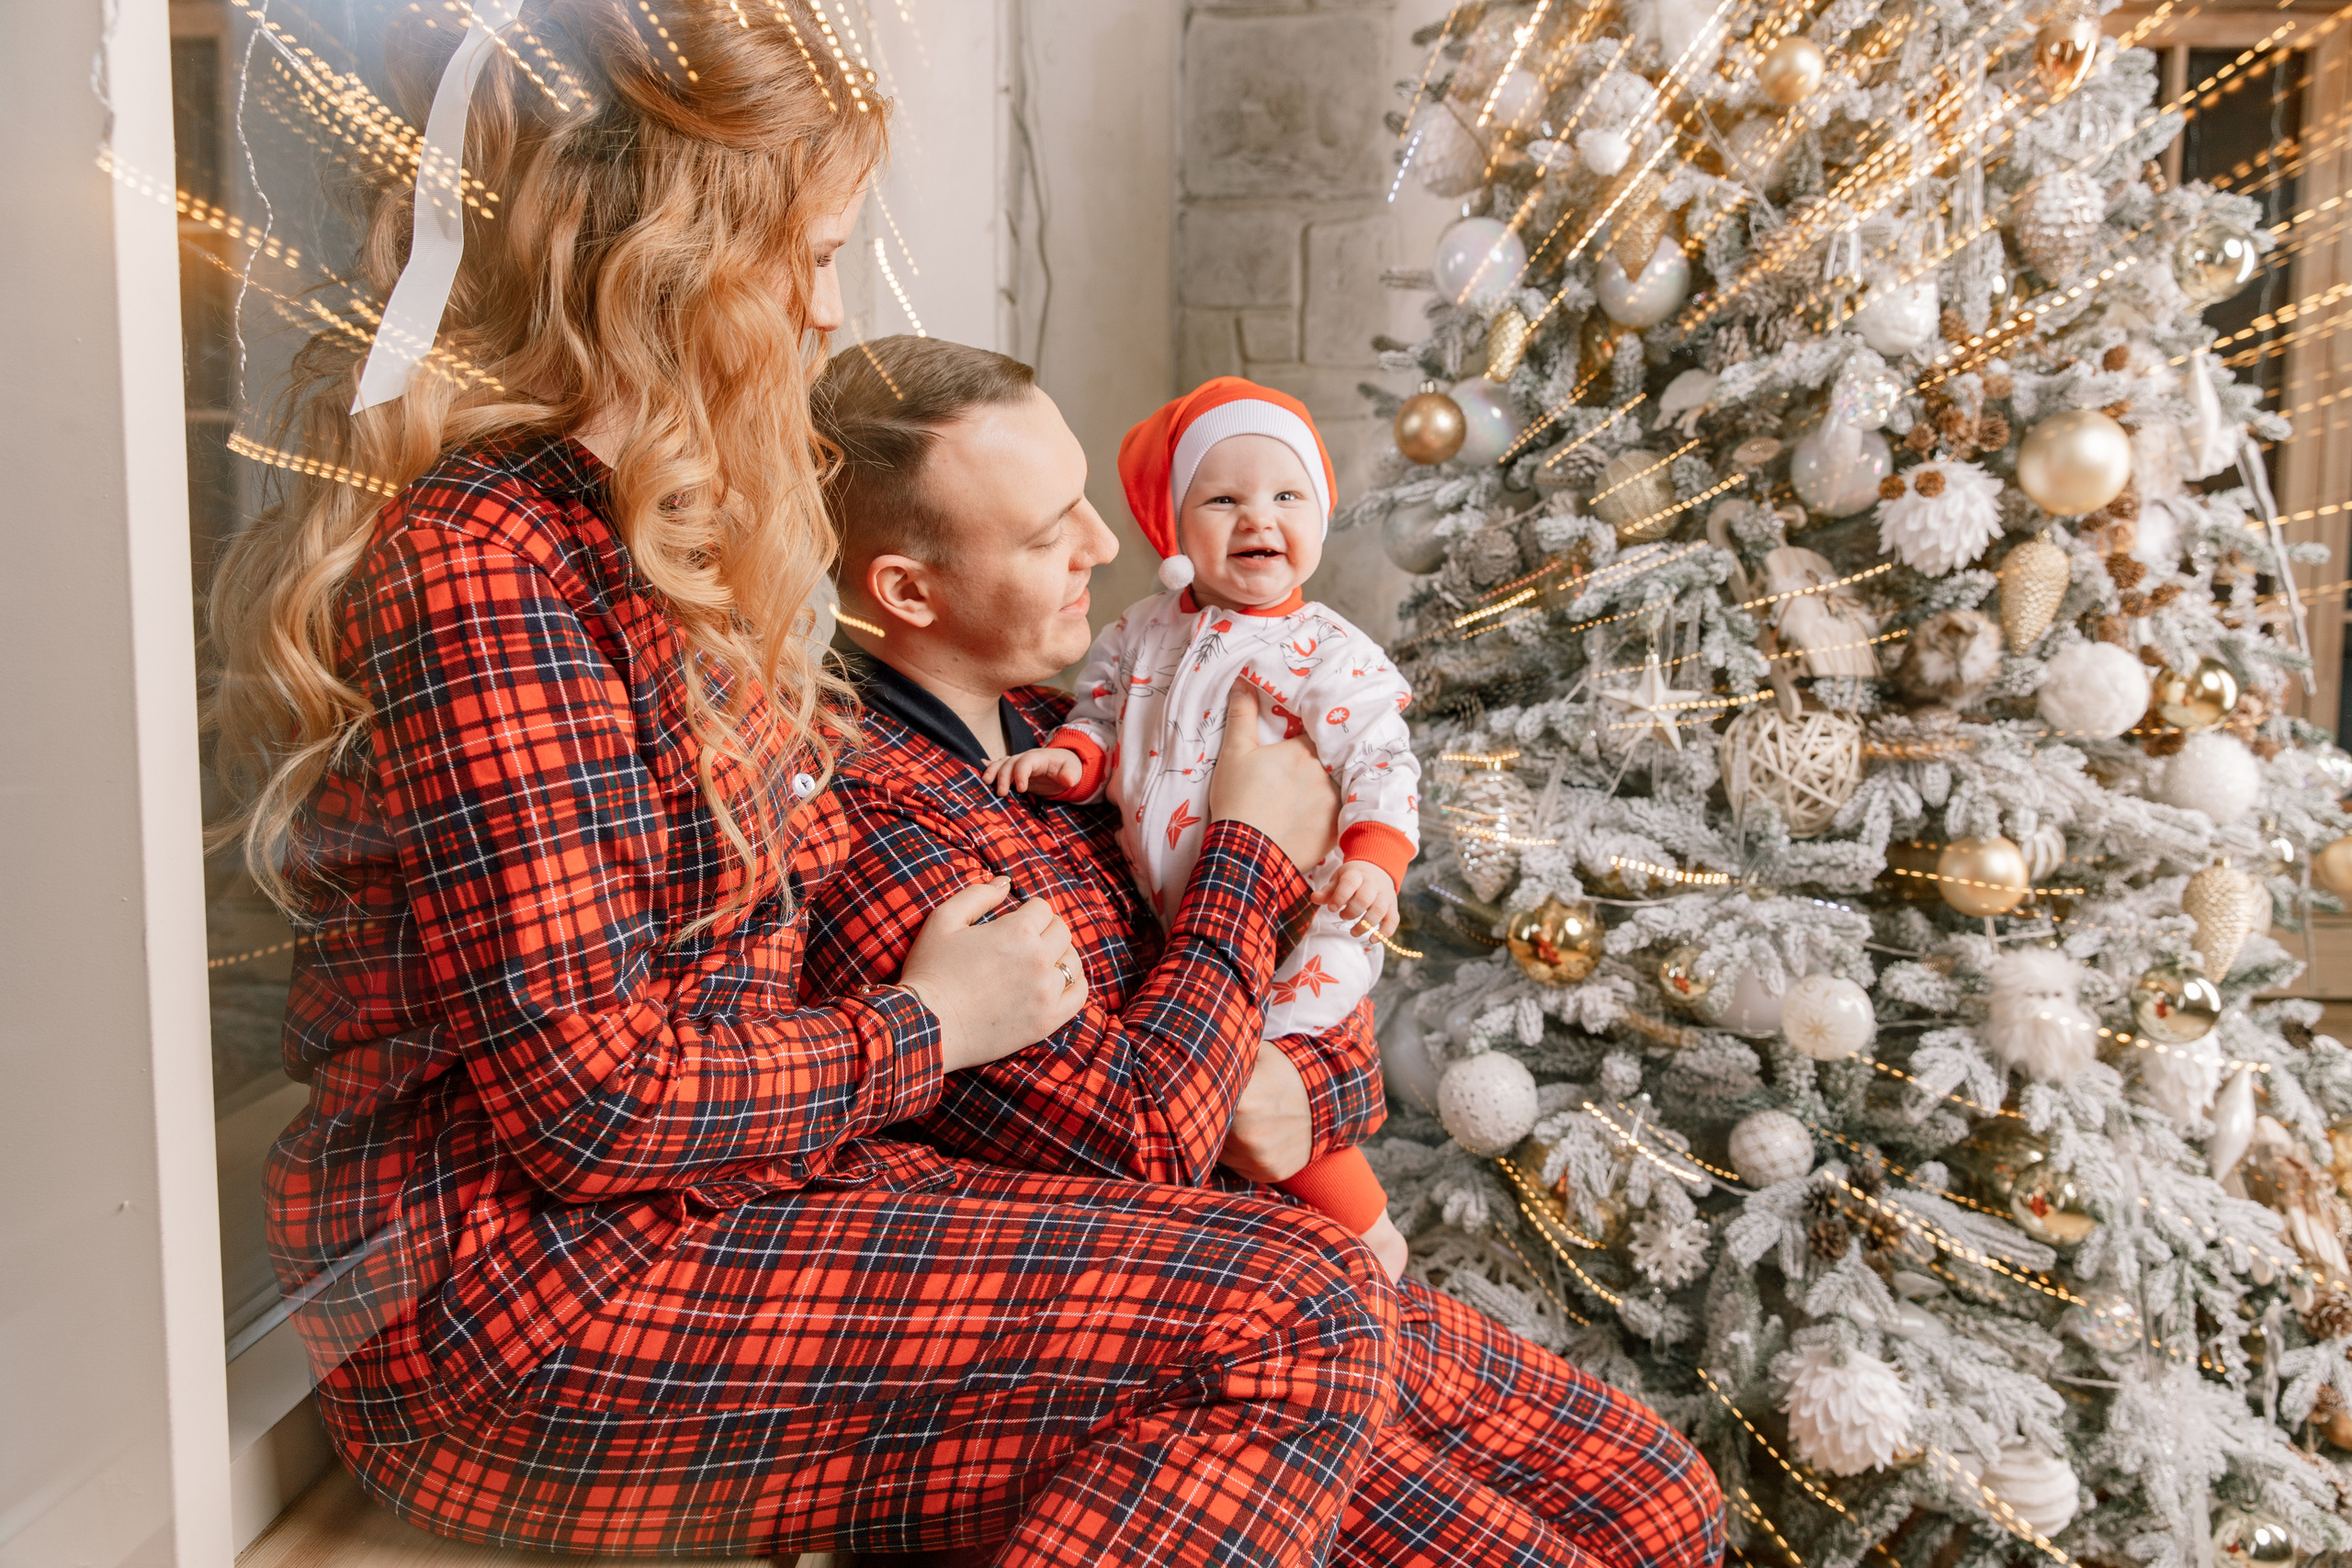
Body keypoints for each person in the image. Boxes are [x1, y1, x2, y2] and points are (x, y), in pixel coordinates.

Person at [209, 7, 1400, 1562]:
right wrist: (929, 1027)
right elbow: (591, 1098)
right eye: (813, 256)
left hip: (759, 1199)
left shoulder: (667, 543)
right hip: (525, 1310)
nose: (832, 309)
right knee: (1296, 1307)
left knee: (1626, 1484)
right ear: (672, 262)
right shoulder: (488, 562)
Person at [807, 333, 1728, 1568]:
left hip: (1288, 1238)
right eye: (1043, 532)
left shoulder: (1070, 721)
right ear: (910, 591)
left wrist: (1302, 1084)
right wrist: (1246, 848)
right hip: (1168, 1337)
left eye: (1085, 497)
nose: (1102, 541)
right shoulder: (877, 824)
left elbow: (1307, 993)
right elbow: (1148, 1140)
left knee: (1661, 1494)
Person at [981, 377, 1416, 1274]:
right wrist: (1076, 758)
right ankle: (1315, 1251)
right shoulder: (1138, 631)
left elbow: (1380, 759)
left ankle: (1370, 1232)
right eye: (1223, 500)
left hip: (1301, 913)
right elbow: (1102, 711)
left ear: (1319, 516)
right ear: (1174, 525)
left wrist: (1375, 856)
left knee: (1257, 1062)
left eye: (1287, 496)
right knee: (1223, 1066)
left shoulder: (1329, 653)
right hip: (1181, 911)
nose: (1259, 517)